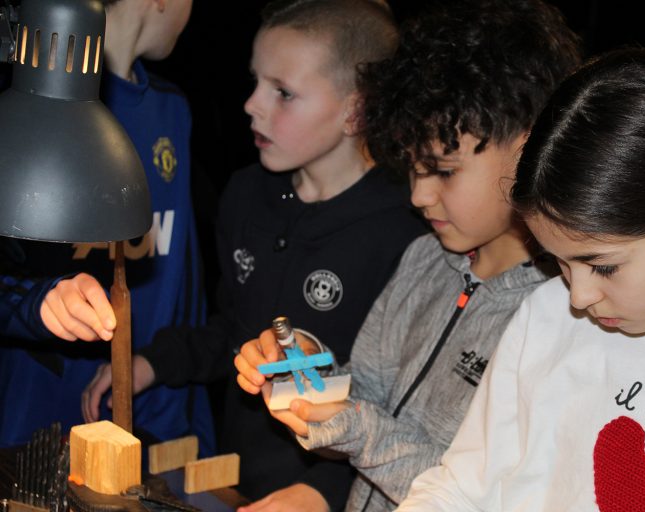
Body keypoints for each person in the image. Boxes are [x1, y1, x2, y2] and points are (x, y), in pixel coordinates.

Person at [233, 1, 581, 510]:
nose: (418, 195)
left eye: (443, 171)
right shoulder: (424, 259)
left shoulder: (565, 311)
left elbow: (478, 494)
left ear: (531, 149)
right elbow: (362, 410)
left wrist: (352, 425)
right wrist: (309, 377)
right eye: (412, 169)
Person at [82, 0, 426, 510]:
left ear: (357, 110)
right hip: (235, 479)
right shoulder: (245, 195)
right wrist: (152, 361)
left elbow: (397, 408)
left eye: (283, 93)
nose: (252, 105)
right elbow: (234, 330)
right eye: (256, 82)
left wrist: (324, 491)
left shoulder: (407, 232)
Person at [396, 47, 645, 511]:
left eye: (604, 265)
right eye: (560, 262)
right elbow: (461, 486)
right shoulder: (548, 313)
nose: (579, 296)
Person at [0, 0, 216, 458]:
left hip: (147, 407)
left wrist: (188, 415)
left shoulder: (172, 110)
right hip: (33, 418)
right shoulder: (27, 110)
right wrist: (39, 302)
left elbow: (184, 280)